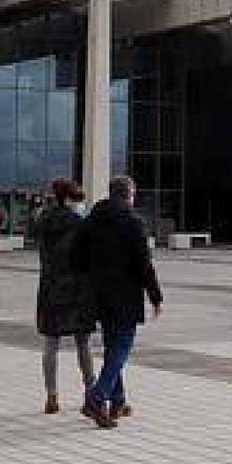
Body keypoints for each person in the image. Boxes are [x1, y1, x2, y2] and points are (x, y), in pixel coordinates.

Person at [77, 175, 163, 429]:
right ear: (129, 194)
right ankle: (96, 398)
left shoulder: (92, 220)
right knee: (121, 348)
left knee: (113, 347)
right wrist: (155, 297)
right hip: (125, 295)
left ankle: (118, 401)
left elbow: (77, 255)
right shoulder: (133, 222)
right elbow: (144, 264)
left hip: (98, 294)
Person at [34, 179, 97, 416]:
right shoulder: (80, 226)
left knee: (51, 343)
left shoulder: (43, 222)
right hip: (77, 290)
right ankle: (91, 392)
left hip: (50, 288)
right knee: (83, 343)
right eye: (78, 200)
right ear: (68, 200)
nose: (81, 204)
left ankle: (51, 395)